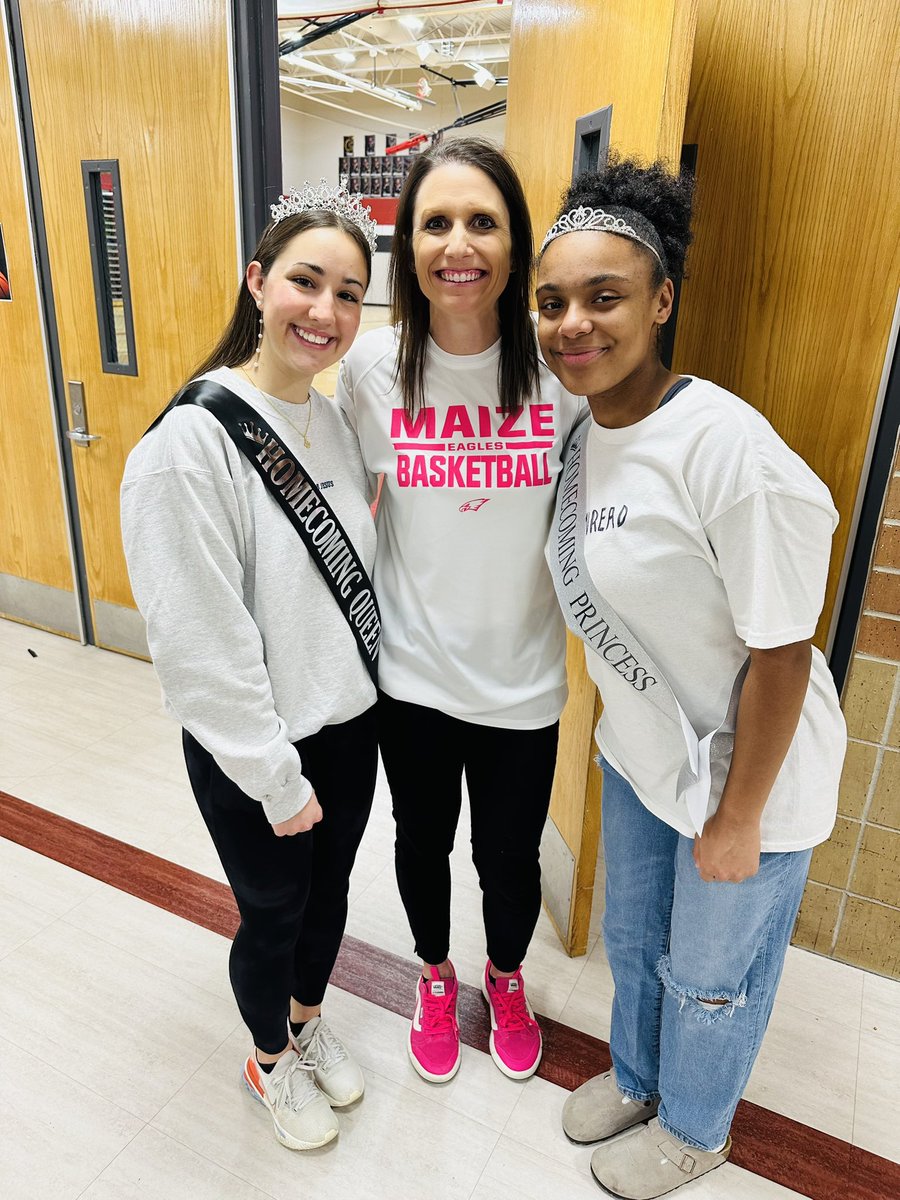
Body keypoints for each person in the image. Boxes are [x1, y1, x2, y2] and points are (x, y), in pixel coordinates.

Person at [535, 156, 846, 1198]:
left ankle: (699, 1127)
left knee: (712, 979)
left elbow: (783, 648)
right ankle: (638, 1076)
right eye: (554, 303)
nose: (574, 323)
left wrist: (738, 816)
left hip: (748, 779)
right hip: (641, 757)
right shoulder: (586, 432)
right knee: (633, 938)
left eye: (605, 296)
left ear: (662, 299)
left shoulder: (725, 450)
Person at [121, 182, 381, 1152]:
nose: (326, 311)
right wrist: (273, 777)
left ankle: (309, 1026)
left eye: (350, 293)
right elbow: (197, 645)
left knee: (333, 900)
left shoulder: (333, 419)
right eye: (306, 282)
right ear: (257, 281)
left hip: (349, 723)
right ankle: (268, 1056)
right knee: (272, 915)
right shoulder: (191, 446)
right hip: (258, 748)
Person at [337, 137, 584, 1084]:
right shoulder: (369, 372)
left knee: (510, 859)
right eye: (435, 222)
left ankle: (506, 977)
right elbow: (346, 499)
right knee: (422, 842)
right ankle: (436, 977)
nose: (458, 244)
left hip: (524, 681)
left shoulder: (563, 375)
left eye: (482, 221)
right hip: (414, 678)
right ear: (412, 246)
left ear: (514, 245)